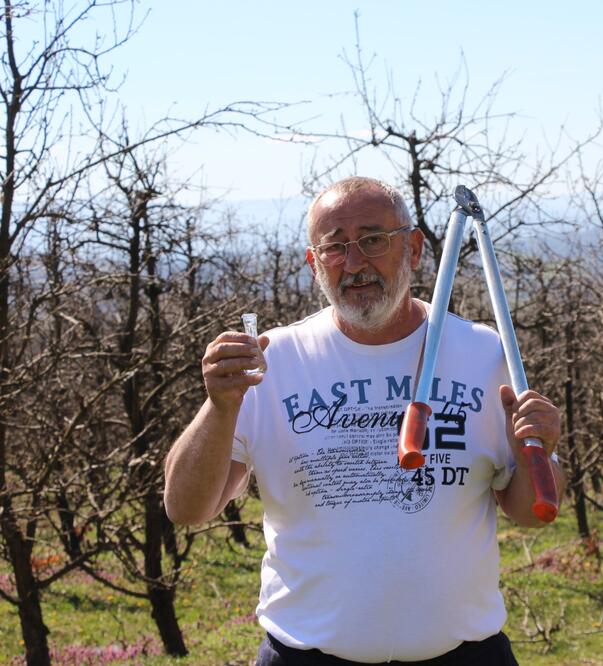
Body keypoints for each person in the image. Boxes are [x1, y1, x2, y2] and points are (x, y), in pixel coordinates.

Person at [164, 177, 566, 665]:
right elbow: (187, 508)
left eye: (374, 240)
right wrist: (218, 408)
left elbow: (530, 511)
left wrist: (537, 451)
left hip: (467, 654)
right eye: (334, 248)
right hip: (305, 656)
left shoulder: (484, 353)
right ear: (314, 265)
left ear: (414, 248)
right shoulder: (272, 363)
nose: (354, 264)